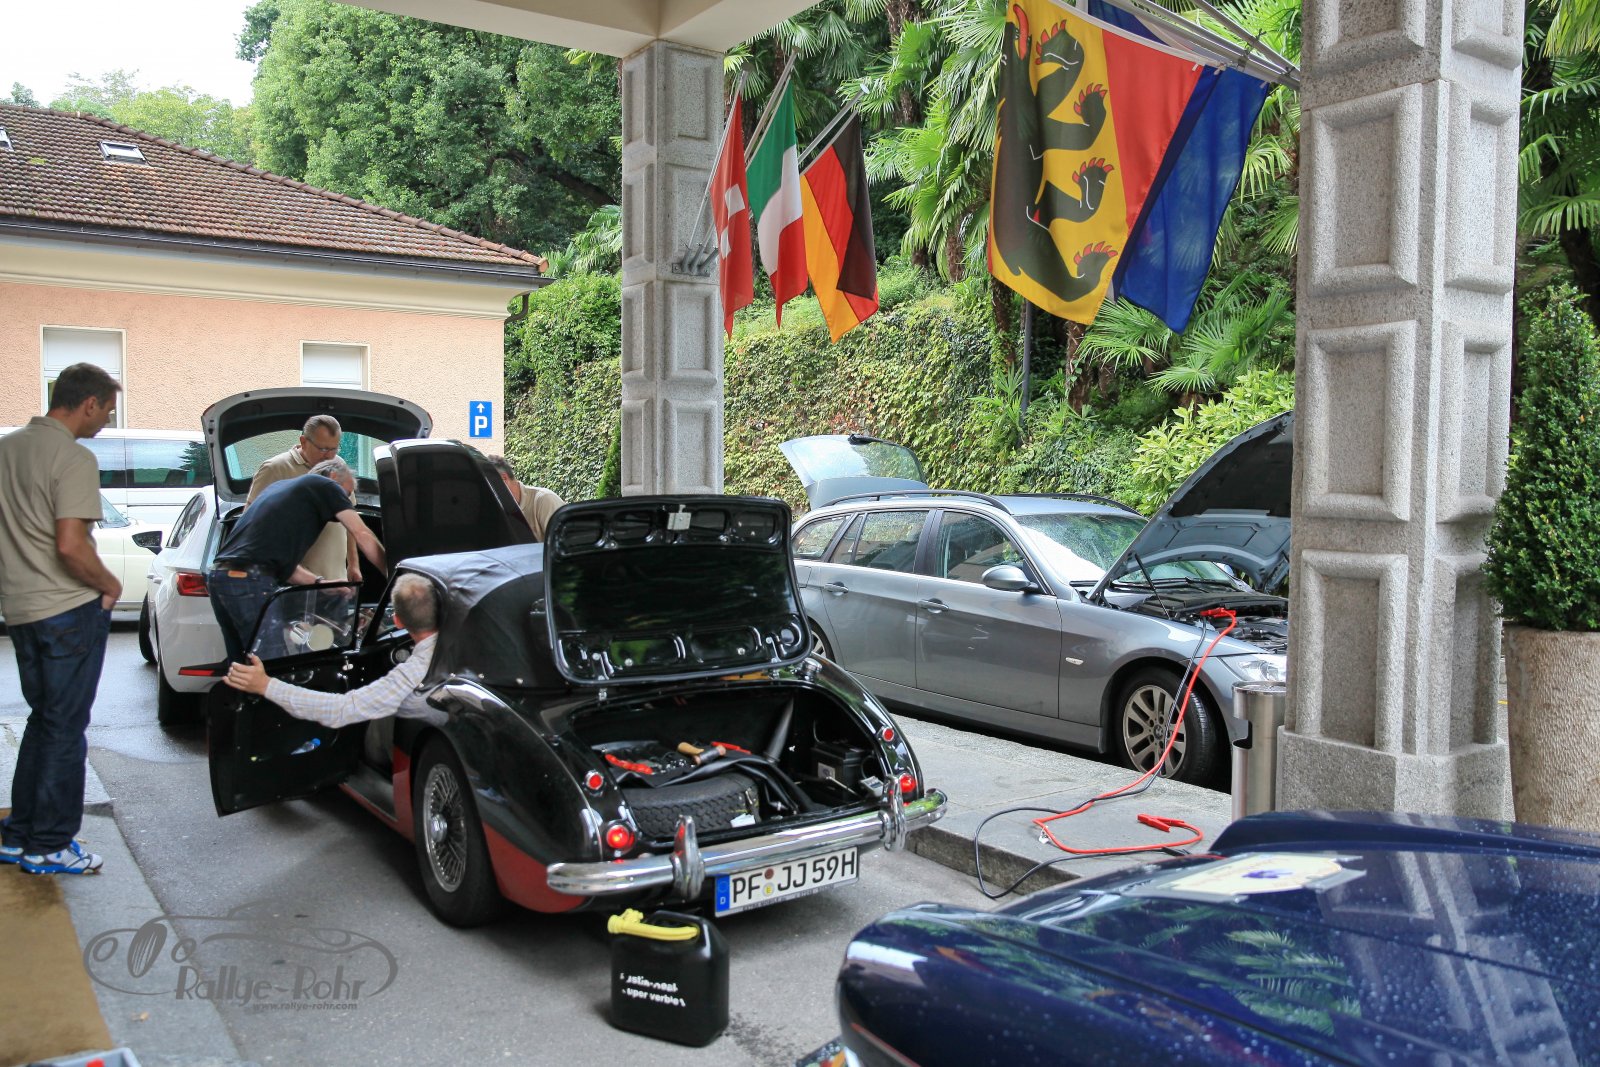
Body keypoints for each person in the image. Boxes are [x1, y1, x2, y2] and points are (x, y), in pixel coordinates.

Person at [0, 363, 122, 875]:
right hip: (67, 610)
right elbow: (71, 545)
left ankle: (18, 836)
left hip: (21, 608)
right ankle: (50, 844)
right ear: (88, 403)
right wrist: (110, 585)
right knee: (65, 729)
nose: (107, 422)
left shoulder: (8, 448)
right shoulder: (72, 457)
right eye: (107, 411)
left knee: (45, 721)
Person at [208, 458, 387, 664]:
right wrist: (394, 572)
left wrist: (321, 584)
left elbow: (286, 567)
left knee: (242, 666)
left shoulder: (281, 492)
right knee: (271, 663)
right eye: (346, 494)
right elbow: (362, 533)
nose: (345, 501)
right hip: (248, 580)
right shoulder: (326, 485)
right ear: (333, 477)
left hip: (220, 577)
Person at [222, 574, 439, 727]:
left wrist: (266, 685)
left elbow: (340, 710)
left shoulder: (413, 673)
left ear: (397, 621)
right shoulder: (455, 646)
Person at [248, 414, 359, 586]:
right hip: (291, 586)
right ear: (304, 441)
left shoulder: (338, 465)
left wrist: (353, 564)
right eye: (323, 449)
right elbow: (251, 523)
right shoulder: (275, 468)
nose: (329, 456)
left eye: (334, 449)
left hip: (336, 581)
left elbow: (350, 518)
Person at [485, 455, 565, 541]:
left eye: (487, 486)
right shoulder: (496, 510)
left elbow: (564, 544)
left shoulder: (544, 500)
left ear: (503, 479)